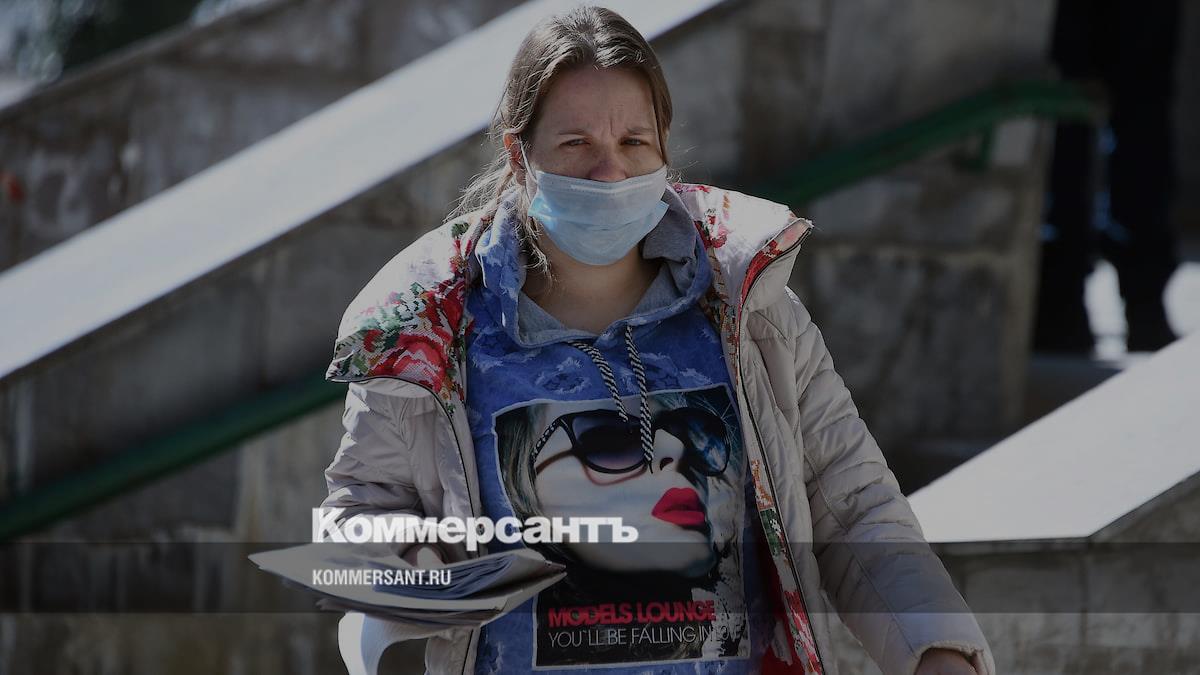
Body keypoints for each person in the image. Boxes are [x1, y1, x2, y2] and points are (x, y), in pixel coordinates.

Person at [322, 6, 994, 674]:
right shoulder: (427, 334)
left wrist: (938, 650)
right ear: (519, 156)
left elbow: (855, 511)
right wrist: (415, 566)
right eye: (576, 143)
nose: (610, 172)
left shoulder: (752, 315)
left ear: (664, 148)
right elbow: (356, 521)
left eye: (634, 142)